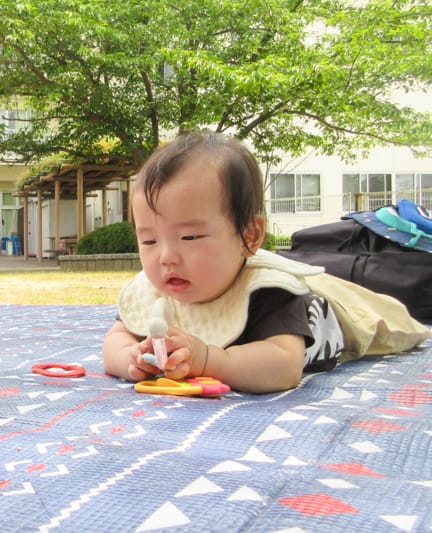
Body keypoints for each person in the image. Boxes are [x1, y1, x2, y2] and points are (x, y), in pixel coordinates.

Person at [103, 131, 429, 394]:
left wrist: (208, 359)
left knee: (386, 314)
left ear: (250, 234)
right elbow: (116, 340)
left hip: (339, 310)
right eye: (149, 240)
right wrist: (131, 360)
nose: (166, 257)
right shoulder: (152, 291)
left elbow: (283, 366)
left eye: (190, 238)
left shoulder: (269, 290)